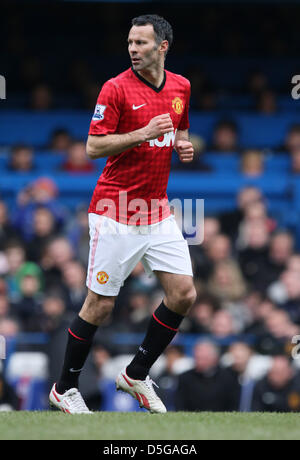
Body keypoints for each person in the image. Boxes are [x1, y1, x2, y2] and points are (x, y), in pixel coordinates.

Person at [49, 14, 196, 414]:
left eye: (142, 43)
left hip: (157, 210)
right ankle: (65, 387)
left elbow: (178, 129)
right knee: (100, 305)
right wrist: (141, 133)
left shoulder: (181, 86)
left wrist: (183, 146)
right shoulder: (115, 89)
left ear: (162, 47)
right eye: (130, 42)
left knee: (183, 294)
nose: (133, 49)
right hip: (116, 209)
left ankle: (136, 374)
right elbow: (94, 147)